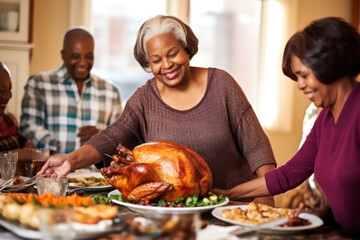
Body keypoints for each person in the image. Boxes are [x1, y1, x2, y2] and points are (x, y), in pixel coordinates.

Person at [39, 15, 276, 205]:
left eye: (173, 54)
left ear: (186, 49)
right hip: (172, 214)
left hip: (233, 207)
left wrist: (265, 202)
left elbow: (257, 147)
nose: (167, 65)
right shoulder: (144, 98)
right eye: (156, 60)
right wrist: (71, 160)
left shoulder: (222, 84)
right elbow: (113, 136)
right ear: (148, 64)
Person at [211, 17, 360, 236]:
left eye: (304, 76)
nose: (300, 85)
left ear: (331, 66)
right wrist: (225, 193)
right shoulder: (326, 118)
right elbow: (288, 175)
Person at [20, 27, 122, 155]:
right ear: (63, 55)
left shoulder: (111, 92)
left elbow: (121, 137)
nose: (83, 63)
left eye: (89, 56)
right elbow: (29, 125)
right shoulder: (39, 83)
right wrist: (58, 151)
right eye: (75, 56)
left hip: (96, 174)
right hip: (53, 172)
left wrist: (102, 137)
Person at [0, 62, 35, 158]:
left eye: (9, 89)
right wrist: (12, 156)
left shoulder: (9, 120)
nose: (8, 96)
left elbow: (28, 144)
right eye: (1, 90)